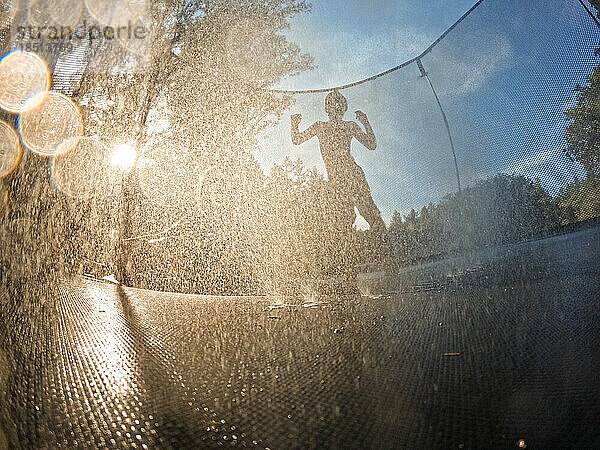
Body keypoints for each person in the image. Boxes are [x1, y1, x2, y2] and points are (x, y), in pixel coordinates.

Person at [291, 90, 385, 231]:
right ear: (327, 108)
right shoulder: (321, 127)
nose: (335, 108)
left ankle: (385, 243)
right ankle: (361, 245)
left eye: (338, 105)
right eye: (332, 104)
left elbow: (371, 144)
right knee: (343, 220)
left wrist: (366, 122)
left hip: (353, 176)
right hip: (337, 181)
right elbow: (297, 140)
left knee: (368, 212)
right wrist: (294, 124)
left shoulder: (347, 126)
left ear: (343, 108)